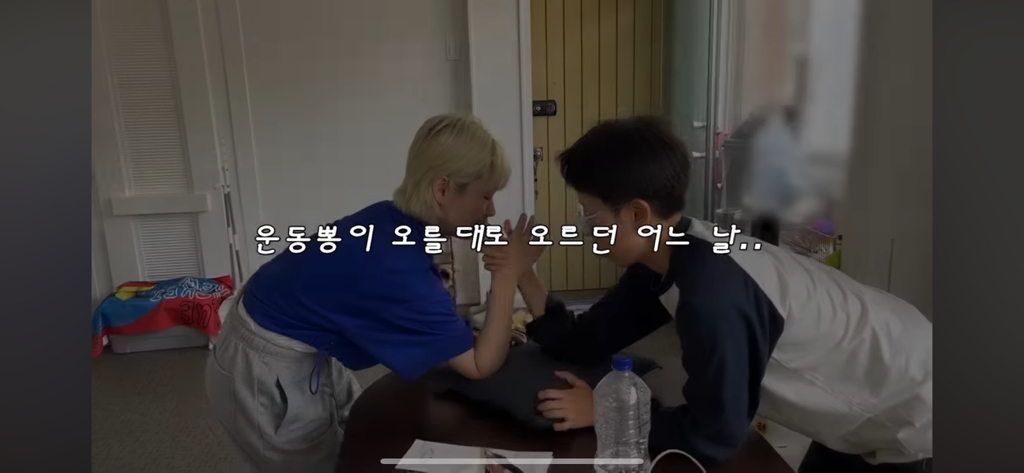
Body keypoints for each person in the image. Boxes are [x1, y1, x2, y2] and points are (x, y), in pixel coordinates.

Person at [483, 116, 932, 472]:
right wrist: (524, 273)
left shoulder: (711, 293)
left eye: (591, 216)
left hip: (913, 408)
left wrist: (605, 412)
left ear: (637, 214)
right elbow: (584, 341)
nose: (586, 230)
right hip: (866, 399)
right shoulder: (670, 252)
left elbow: (714, 435)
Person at [206, 113, 535, 472]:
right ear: (442, 190)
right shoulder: (397, 266)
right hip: (263, 364)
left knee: (357, 437)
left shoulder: (390, 218)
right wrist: (507, 274)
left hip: (295, 338)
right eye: (486, 196)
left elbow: (427, 319)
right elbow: (479, 365)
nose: (491, 210)